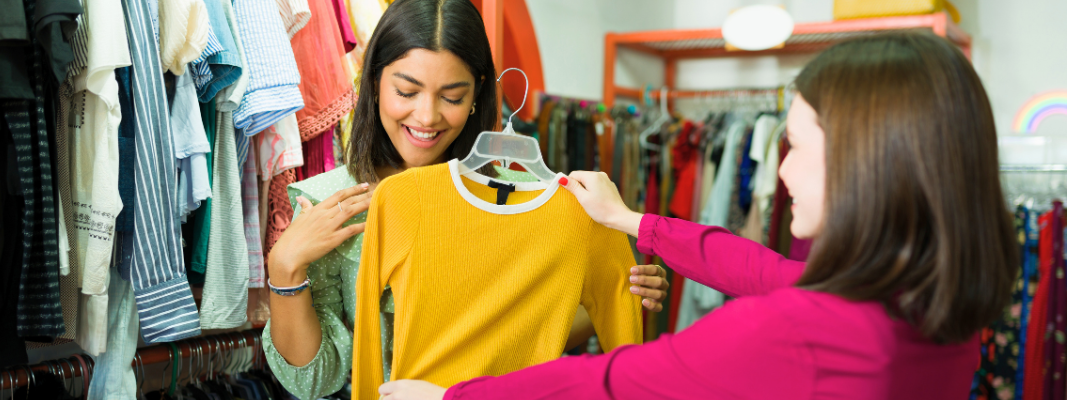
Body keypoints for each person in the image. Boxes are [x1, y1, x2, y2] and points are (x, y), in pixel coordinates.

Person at [378, 32, 1019, 400]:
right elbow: (758, 265)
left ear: (872, 160)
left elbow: (615, 380)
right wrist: (633, 221)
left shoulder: (800, 330)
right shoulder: (932, 307)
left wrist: (451, 398)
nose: (783, 172)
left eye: (800, 147)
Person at [262, 0, 669, 398]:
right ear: (373, 83)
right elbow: (315, 382)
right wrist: (284, 268)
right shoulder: (324, 204)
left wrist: (617, 295)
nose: (426, 116)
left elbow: (539, 332)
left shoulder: (530, 198)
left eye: (452, 97)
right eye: (407, 91)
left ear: (476, 95)